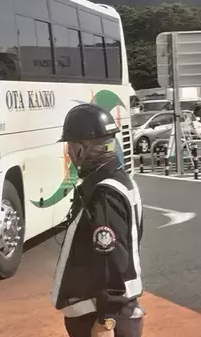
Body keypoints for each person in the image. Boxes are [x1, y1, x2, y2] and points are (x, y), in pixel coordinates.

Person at [51, 103, 145, 337]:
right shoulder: (119, 181)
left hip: (99, 315)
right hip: (107, 311)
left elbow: (111, 258)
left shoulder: (104, 193)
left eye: (70, 147)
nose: (69, 153)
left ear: (80, 150)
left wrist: (106, 320)